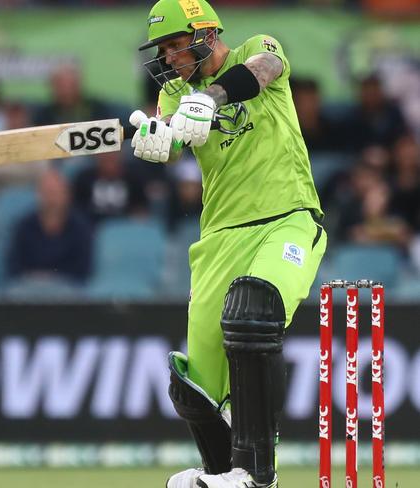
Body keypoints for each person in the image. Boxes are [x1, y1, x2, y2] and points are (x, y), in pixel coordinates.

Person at [130, 1, 326, 487]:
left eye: (177, 46)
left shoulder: (258, 47)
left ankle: (257, 475)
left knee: (252, 312)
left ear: (205, 33)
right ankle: (220, 475)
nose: (171, 59)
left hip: (287, 218)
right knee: (193, 382)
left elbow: (263, 71)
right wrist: (158, 140)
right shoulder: (176, 93)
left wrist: (213, 97)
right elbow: (172, 140)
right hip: (219, 236)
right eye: (164, 50)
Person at [6, 168, 92, 284]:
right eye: (47, 193)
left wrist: (52, 278)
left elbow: (82, 269)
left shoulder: (80, 228)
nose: (51, 199)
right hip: (29, 286)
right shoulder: (24, 226)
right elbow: (14, 266)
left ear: (67, 195)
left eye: (56, 193)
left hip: (67, 288)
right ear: (38, 195)